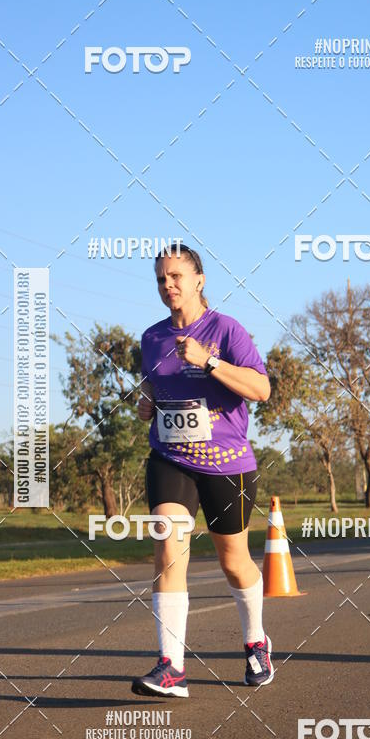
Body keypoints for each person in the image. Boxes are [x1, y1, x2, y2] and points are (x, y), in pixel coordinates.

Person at [131, 243, 273, 698]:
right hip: (171, 459)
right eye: (161, 278)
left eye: (176, 276)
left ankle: (256, 643)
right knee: (168, 550)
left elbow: (261, 389)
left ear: (199, 280)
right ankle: (171, 667)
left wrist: (208, 361)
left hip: (226, 464)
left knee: (234, 562)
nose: (168, 285)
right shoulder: (151, 338)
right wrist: (146, 401)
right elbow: (152, 388)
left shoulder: (226, 329)